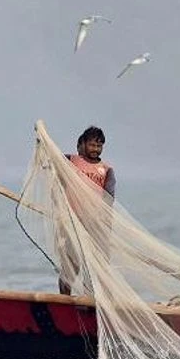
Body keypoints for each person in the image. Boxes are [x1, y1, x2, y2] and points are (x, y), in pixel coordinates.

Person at [59, 126, 116, 295]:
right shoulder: (70, 161)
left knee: (96, 265)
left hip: (96, 223)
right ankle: (63, 299)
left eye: (99, 146)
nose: (95, 150)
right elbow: (50, 158)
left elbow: (109, 198)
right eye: (92, 145)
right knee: (71, 263)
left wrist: (103, 222)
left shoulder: (107, 170)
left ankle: (91, 301)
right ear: (81, 144)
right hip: (72, 221)